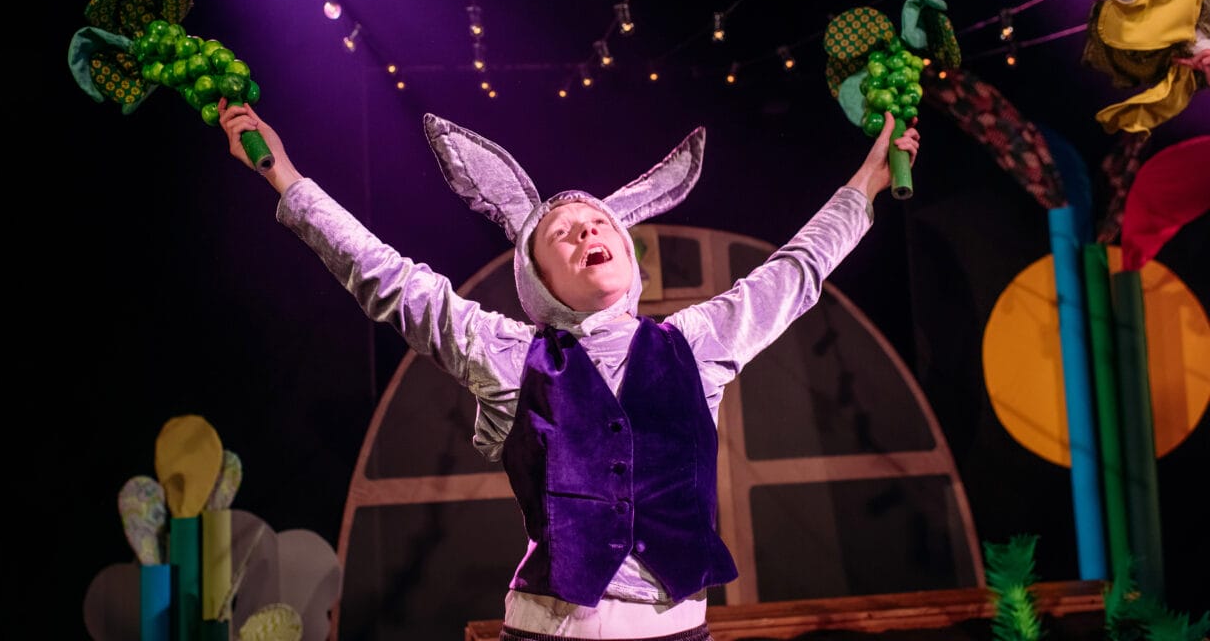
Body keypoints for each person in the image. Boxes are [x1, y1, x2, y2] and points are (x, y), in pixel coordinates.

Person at [217, 98, 920, 641]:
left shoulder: (694, 342)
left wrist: (868, 181)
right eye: (563, 232)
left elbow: (796, 272)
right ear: (537, 275)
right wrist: (284, 175)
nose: (588, 230)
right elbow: (389, 279)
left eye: (601, 224)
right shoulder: (506, 354)